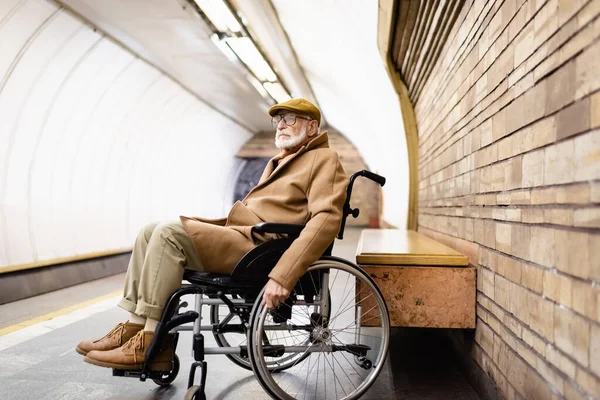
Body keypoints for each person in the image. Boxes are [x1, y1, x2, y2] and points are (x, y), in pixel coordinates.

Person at [77, 98, 349, 370]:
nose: (281, 126)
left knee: (169, 234)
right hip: (246, 238)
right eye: (278, 120)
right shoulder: (282, 160)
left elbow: (326, 219)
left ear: (312, 127)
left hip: (262, 249)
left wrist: (284, 275)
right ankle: (135, 328)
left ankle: (152, 343)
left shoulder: (324, 159)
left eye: (290, 119)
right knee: (150, 231)